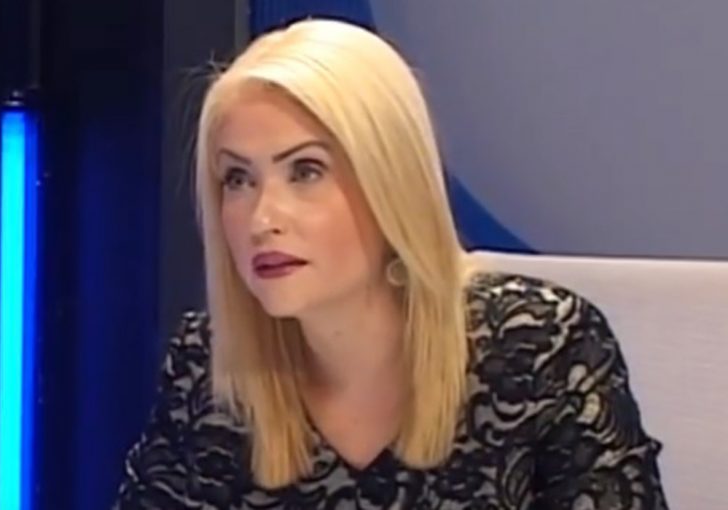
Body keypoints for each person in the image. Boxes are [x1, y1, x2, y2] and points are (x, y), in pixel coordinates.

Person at [114, 18, 668, 509]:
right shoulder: (207, 368)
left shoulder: (542, 347)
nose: (262, 218)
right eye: (238, 178)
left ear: (392, 183)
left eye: (306, 171)